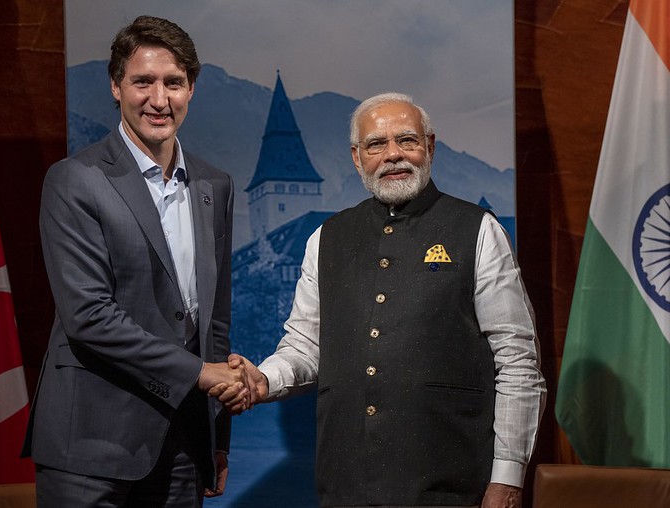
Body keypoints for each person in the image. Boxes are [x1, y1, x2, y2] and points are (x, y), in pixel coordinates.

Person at [223, 93, 546, 508]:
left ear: (430, 147)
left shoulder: (479, 230)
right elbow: (304, 347)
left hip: (453, 487)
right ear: (358, 158)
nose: (393, 154)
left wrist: (508, 476)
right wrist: (263, 380)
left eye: (407, 140)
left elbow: (518, 363)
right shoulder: (326, 239)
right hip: (346, 486)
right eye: (376, 144)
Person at [23, 15, 249, 507]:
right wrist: (201, 374)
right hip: (90, 443)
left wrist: (218, 437)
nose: (159, 99)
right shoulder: (74, 179)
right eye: (142, 81)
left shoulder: (215, 185)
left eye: (174, 83)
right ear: (115, 86)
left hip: (185, 445)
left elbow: (214, 322)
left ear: (193, 89)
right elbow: (88, 318)